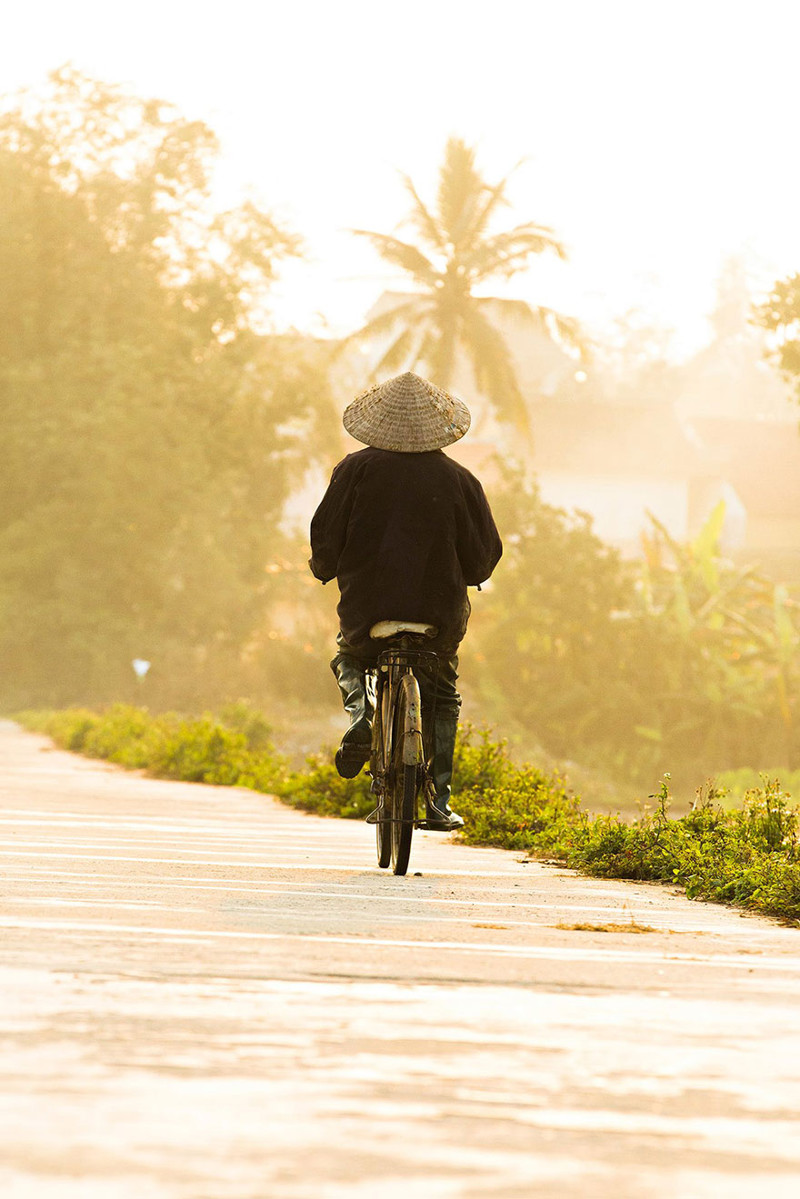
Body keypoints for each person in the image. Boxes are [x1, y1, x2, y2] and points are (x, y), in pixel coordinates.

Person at [309, 371, 502, 831]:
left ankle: (361, 714)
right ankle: (438, 799)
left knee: (349, 657)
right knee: (442, 694)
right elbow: (483, 558)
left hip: (367, 609)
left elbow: (325, 539)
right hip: (437, 614)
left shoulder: (354, 470)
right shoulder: (461, 479)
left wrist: (324, 569)